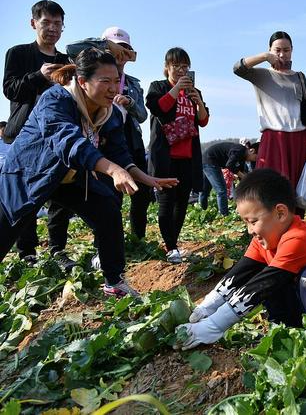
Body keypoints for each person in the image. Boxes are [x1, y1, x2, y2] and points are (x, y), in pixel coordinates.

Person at [0, 48, 177, 297]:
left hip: (69, 178)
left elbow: (119, 152)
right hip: (28, 174)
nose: (113, 88)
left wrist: (145, 178)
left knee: (107, 211)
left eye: (116, 81)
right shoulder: (56, 100)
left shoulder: (110, 112)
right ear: (82, 82)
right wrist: (112, 170)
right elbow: (68, 142)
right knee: (6, 228)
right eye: (105, 81)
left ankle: (114, 281)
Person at [174, 169, 306, 350]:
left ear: (280, 213)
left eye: (253, 221)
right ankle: (286, 329)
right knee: (268, 276)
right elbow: (242, 272)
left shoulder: (298, 237)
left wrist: (214, 325)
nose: (250, 230)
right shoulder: (265, 240)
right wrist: (208, 306)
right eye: (246, 222)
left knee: (305, 278)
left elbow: (261, 286)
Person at [2, 0, 75, 269]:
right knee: (24, 196)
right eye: (46, 23)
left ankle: (58, 249)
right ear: (33, 23)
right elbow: (10, 90)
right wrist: (38, 76)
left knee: (59, 197)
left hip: (56, 138)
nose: (52, 28)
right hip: (23, 136)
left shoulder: (66, 61)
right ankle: (27, 253)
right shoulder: (19, 53)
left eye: (58, 24)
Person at [66, 27, 150, 241]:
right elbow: (70, 49)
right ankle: (106, 242)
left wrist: (128, 103)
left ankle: (135, 239)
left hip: (128, 141)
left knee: (139, 194)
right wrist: (104, 45)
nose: (120, 55)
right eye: (116, 49)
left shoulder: (133, 84)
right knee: (108, 196)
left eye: (125, 50)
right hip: (100, 145)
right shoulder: (89, 77)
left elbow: (142, 115)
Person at [233, 31, 306, 193]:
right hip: (274, 138)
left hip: (299, 139)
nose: (282, 54)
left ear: (292, 50)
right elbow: (238, 68)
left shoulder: (300, 76)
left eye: (286, 50)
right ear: (270, 50)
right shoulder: (261, 74)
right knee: (270, 187)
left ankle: (295, 218)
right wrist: (265, 56)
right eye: (277, 50)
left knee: (297, 187)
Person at [147, 47, 209, 263]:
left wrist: (197, 100)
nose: (181, 70)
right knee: (166, 201)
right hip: (165, 157)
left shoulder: (194, 92)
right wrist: (176, 90)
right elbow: (158, 108)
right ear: (167, 68)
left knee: (182, 202)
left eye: (185, 67)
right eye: (176, 66)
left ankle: (172, 243)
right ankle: (170, 246)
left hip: (188, 157)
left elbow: (203, 120)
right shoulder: (159, 87)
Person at [199, 141, 259, 214]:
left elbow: (241, 175)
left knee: (205, 189)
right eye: (255, 157)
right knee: (221, 190)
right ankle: (224, 214)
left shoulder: (243, 158)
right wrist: (244, 176)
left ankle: (202, 210)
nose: (254, 160)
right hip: (210, 160)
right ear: (252, 150)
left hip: (210, 160)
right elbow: (229, 165)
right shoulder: (240, 150)